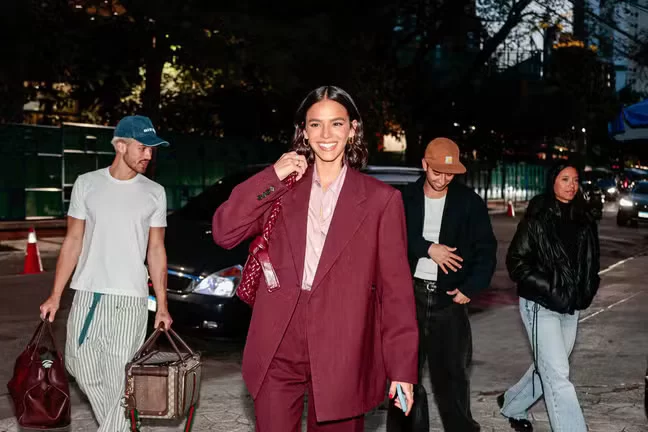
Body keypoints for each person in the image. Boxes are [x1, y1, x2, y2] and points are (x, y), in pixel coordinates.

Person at [212, 86, 418, 431]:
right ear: (303, 131)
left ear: (353, 129)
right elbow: (225, 231)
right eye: (315, 125)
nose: (326, 135)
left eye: (336, 124)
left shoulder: (382, 200)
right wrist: (270, 177)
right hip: (278, 336)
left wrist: (402, 368)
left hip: (345, 343)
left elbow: (395, 291)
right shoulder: (283, 187)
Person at [39, 115, 173, 432]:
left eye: (152, 149)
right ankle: (122, 426)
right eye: (143, 147)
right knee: (78, 364)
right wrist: (56, 295)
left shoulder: (154, 192)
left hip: (130, 300)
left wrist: (163, 304)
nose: (148, 155)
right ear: (120, 145)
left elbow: (156, 250)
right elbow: (73, 241)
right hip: (87, 294)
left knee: (116, 379)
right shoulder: (87, 184)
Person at [402, 137, 497, 432]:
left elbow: (486, 250)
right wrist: (428, 248)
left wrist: (471, 287)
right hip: (409, 298)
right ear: (424, 165)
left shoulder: (468, 202)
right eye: (436, 172)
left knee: (453, 379)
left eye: (449, 173)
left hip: (449, 300)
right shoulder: (404, 198)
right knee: (404, 378)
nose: (442, 179)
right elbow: (391, 238)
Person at [498, 163, 600, 432]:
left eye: (575, 180)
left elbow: (590, 261)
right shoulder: (538, 218)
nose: (571, 185)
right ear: (552, 182)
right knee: (557, 375)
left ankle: (512, 403)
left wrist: (587, 288)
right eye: (564, 179)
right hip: (539, 305)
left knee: (550, 366)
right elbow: (516, 263)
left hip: (570, 306)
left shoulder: (584, 218)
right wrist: (550, 288)